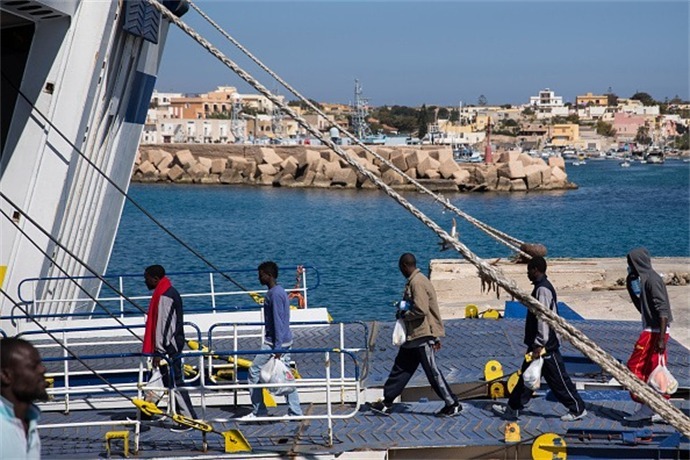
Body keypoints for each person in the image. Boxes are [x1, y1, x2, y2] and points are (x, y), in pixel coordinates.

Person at [492, 256, 587, 422]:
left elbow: (543, 318)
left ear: (536, 269)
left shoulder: (542, 290)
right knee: (526, 377)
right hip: (538, 344)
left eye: (529, 269)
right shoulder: (540, 287)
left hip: (544, 346)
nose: (527, 273)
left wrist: (540, 343)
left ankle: (577, 408)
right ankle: (513, 408)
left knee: (558, 380)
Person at [369, 253, 461, 417]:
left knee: (432, 372)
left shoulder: (417, 283)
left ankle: (452, 404)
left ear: (405, 266)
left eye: (400, 268)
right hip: (414, 335)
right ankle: (387, 402)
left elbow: (421, 309)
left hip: (422, 335)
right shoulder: (415, 281)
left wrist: (404, 316)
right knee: (401, 368)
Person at [239, 261, 302, 420]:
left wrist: (277, 348)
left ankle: (259, 411)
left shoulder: (274, 294)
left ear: (269, 275)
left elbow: (278, 321)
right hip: (283, 341)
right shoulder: (279, 291)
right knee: (286, 375)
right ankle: (295, 412)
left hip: (274, 343)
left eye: (261, 275)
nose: (259, 278)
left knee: (254, 372)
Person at [142, 264, 198, 431]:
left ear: (155, 279)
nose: (145, 281)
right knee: (168, 382)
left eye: (147, 278)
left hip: (169, 348)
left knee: (175, 383)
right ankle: (150, 411)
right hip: (171, 346)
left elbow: (164, 327)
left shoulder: (165, 296)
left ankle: (189, 419)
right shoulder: (166, 292)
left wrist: (159, 351)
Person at [622, 247, 673, 422]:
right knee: (651, 370)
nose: (629, 267)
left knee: (634, 368)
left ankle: (651, 405)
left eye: (630, 263)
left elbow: (663, 310)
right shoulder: (644, 281)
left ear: (638, 263)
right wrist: (630, 287)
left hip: (655, 333)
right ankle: (654, 406)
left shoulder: (653, 280)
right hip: (653, 330)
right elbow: (643, 310)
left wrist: (660, 340)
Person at [1, 337, 48, 459]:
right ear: (6, 376)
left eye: (40, 364)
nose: (43, 369)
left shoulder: (29, 423)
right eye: (33, 366)